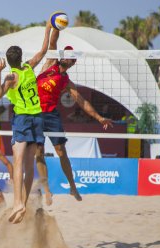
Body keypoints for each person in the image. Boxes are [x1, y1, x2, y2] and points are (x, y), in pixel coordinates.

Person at [36, 29, 113, 206]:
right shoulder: (50, 63)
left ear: (72, 62)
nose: (66, 56)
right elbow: (53, 42)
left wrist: (99, 118)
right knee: (38, 152)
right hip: (35, 112)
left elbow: (82, 101)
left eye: (70, 55)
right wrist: (53, 26)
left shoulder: (66, 81)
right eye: (65, 53)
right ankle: (47, 189)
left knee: (61, 151)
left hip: (51, 114)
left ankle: (72, 186)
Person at [0, 21, 53, 224]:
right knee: (29, 166)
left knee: (18, 162)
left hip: (23, 119)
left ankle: (18, 203)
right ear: (20, 57)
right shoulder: (29, 66)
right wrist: (49, 28)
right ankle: (23, 204)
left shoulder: (11, 77)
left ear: (9, 61)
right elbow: (44, 50)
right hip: (38, 118)